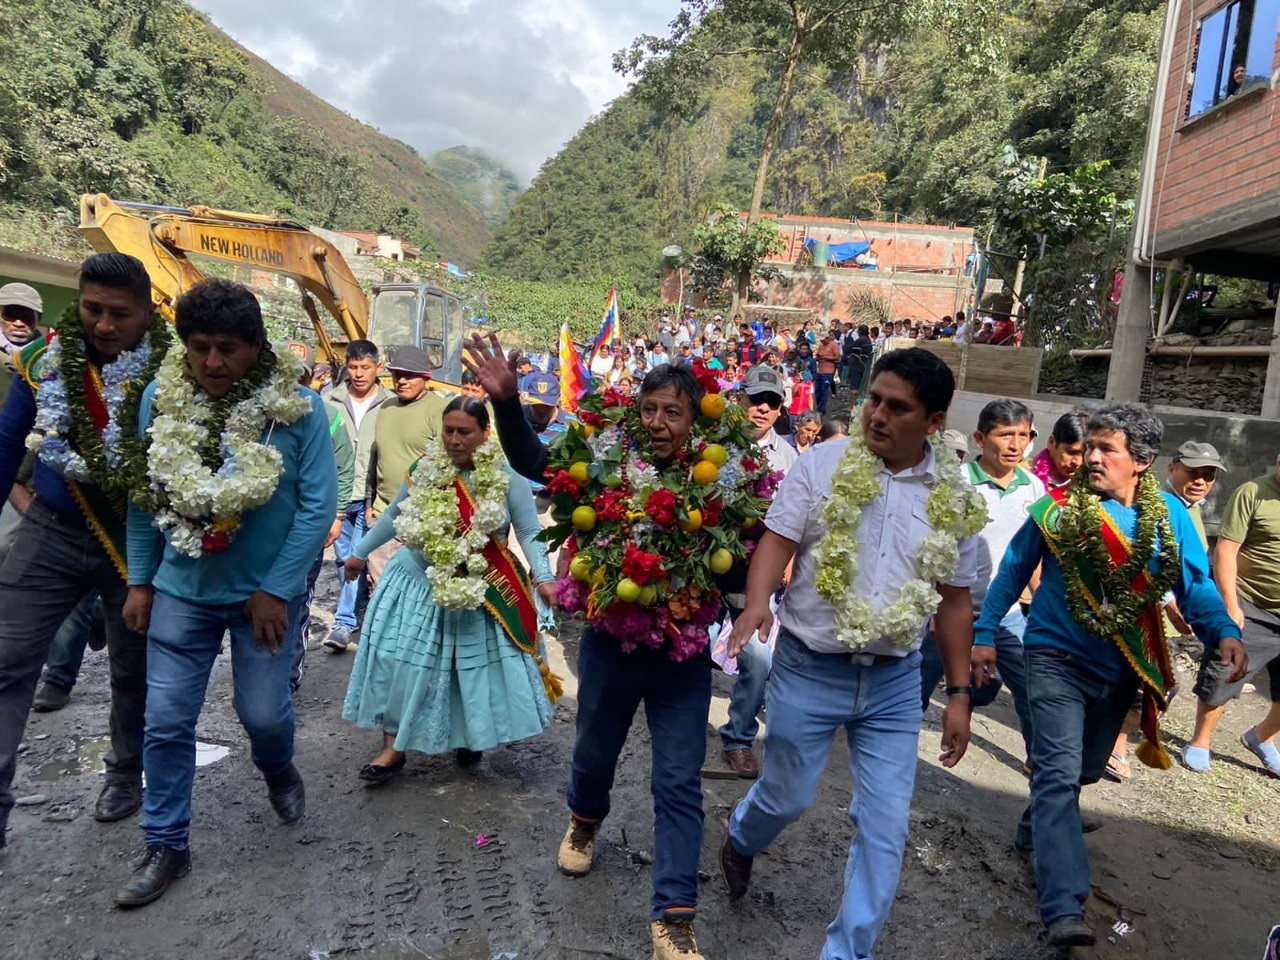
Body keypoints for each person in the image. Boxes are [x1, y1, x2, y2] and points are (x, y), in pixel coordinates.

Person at [462, 335, 743, 960]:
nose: (659, 423)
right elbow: (536, 461)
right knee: (593, 755)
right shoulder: (601, 459)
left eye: (674, 412)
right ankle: (585, 820)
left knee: (678, 782)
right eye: (650, 409)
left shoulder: (724, 480)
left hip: (683, 661)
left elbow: (743, 565)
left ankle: (674, 915)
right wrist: (507, 405)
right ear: (634, 412)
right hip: (611, 648)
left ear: (695, 420)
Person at [719, 348, 982, 960]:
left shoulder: (955, 495)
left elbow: (954, 603)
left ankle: (847, 953)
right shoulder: (821, 464)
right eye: (874, 400)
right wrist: (757, 602)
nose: (878, 415)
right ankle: (740, 836)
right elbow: (775, 542)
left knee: (886, 829)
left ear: (934, 423)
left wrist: (960, 695)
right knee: (787, 797)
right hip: (810, 668)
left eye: (899, 407)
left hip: (895, 681)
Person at [972, 404, 1243, 949]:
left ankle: (1034, 829)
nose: (1091, 457)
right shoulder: (1059, 510)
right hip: (1051, 656)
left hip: (1118, 672)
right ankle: (1063, 905)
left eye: (1106, 449)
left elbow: (1197, 588)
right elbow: (1014, 571)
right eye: (1089, 447)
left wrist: (1223, 632)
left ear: (1141, 461)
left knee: (1085, 772)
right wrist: (983, 634)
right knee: (1057, 773)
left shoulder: (1169, 518)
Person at [117, 278, 337, 907]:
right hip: (180, 592)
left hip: (265, 601)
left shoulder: (298, 410)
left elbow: (317, 506)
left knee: (263, 715)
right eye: (200, 347)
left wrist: (276, 588)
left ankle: (277, 767)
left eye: (228, 349)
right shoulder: (160, 398)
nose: (212, 363)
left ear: (257, 347)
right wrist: (139, 579)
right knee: (164, 721)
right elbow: (145, 493)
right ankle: (165, 843)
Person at [0, 253, 162, 848]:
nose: (102, 325)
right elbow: (6, 441)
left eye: (120, 314)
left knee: (132, 669)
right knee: (7, 661)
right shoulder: (41, 362)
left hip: (135, 539)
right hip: (50, 528)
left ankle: (125, 773)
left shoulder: (171, 373)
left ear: (148, 314)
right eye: (92, 309)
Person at [342, 396, 558, 779]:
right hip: (416, 583)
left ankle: (469, 736)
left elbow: (527, 530)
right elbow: (396, 515)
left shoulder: (507, 479)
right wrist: (360, 552)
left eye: (464, 432)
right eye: (448, 431)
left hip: (479, 589)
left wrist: (543, 577)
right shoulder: (425, 468)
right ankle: (392, 747)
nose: (454, 440)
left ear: (485, 433)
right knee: (398, 664)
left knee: (465, 671)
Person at [922, 401, 1043, 764]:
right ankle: (882, 762)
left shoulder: (1033, 489)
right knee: (912, 690)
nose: (1015, 445)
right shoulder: (956, 484)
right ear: (979, 438)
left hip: (1005, 616)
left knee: (1033, 694)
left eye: (1023, 435)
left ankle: (1045, 776)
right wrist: (928, 607)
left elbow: (1034, 556)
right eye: (1005, 434)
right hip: (944, 612)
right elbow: (933, 546)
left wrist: (1039, 606)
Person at [719, 365, 799, 780]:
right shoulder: (711, 442)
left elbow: (796, 523)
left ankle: (738, 737)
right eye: (756, 400)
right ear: (740, 400)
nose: (763, 408)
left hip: (750, 573)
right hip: (702, 559)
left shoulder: (789, 458)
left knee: (758, 656)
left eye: (772, 402)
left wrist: (784, 566)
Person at [1183, 450, 1280, 776]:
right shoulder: (1253, 493)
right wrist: (1230, 603)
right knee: (1222, 677)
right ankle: (1200, 741)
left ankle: (1262, 738)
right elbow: (1226, 549)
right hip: (1252, 603)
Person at [323, 340, 393, 652]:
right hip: (338, 493)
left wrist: (377, 497)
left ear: (378, 368)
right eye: (353, 367)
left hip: (371, 496)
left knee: (360, 555)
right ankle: (350, 616)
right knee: (343, 559)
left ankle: (347, 620)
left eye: (365, 367)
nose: (359, 374)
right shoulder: (330, 400)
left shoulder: (390, 405)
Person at [292, 353, 354, 692]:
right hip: (269, 529)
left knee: (298, 596)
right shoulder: (259, 411)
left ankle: (289, 675)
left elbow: (344, 468)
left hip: (310, 524)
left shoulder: (327, 415)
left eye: (299, 376)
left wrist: (337, 515)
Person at [363, 345, 448, 589]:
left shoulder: (439, 411)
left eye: (409, 375)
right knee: (380, 589)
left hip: (421, 517)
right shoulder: (386, 408)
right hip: (383, 513)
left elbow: (448, 465)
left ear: (426, 377)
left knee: (416, 590)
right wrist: (371, 505)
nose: (402, 380)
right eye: (397, 374)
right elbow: (376, 457)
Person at [1031, 412, 1086, 489]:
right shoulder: (1026, 478)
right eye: (1071, 452)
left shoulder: (1093, 487)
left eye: (1085, 455)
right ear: (1051, 442)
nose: (1078, 462)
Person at [0, 282, 43, 360]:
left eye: (27, 316)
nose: (18, 324)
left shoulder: (50, 357)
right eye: (10, 315)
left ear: (38, 318)